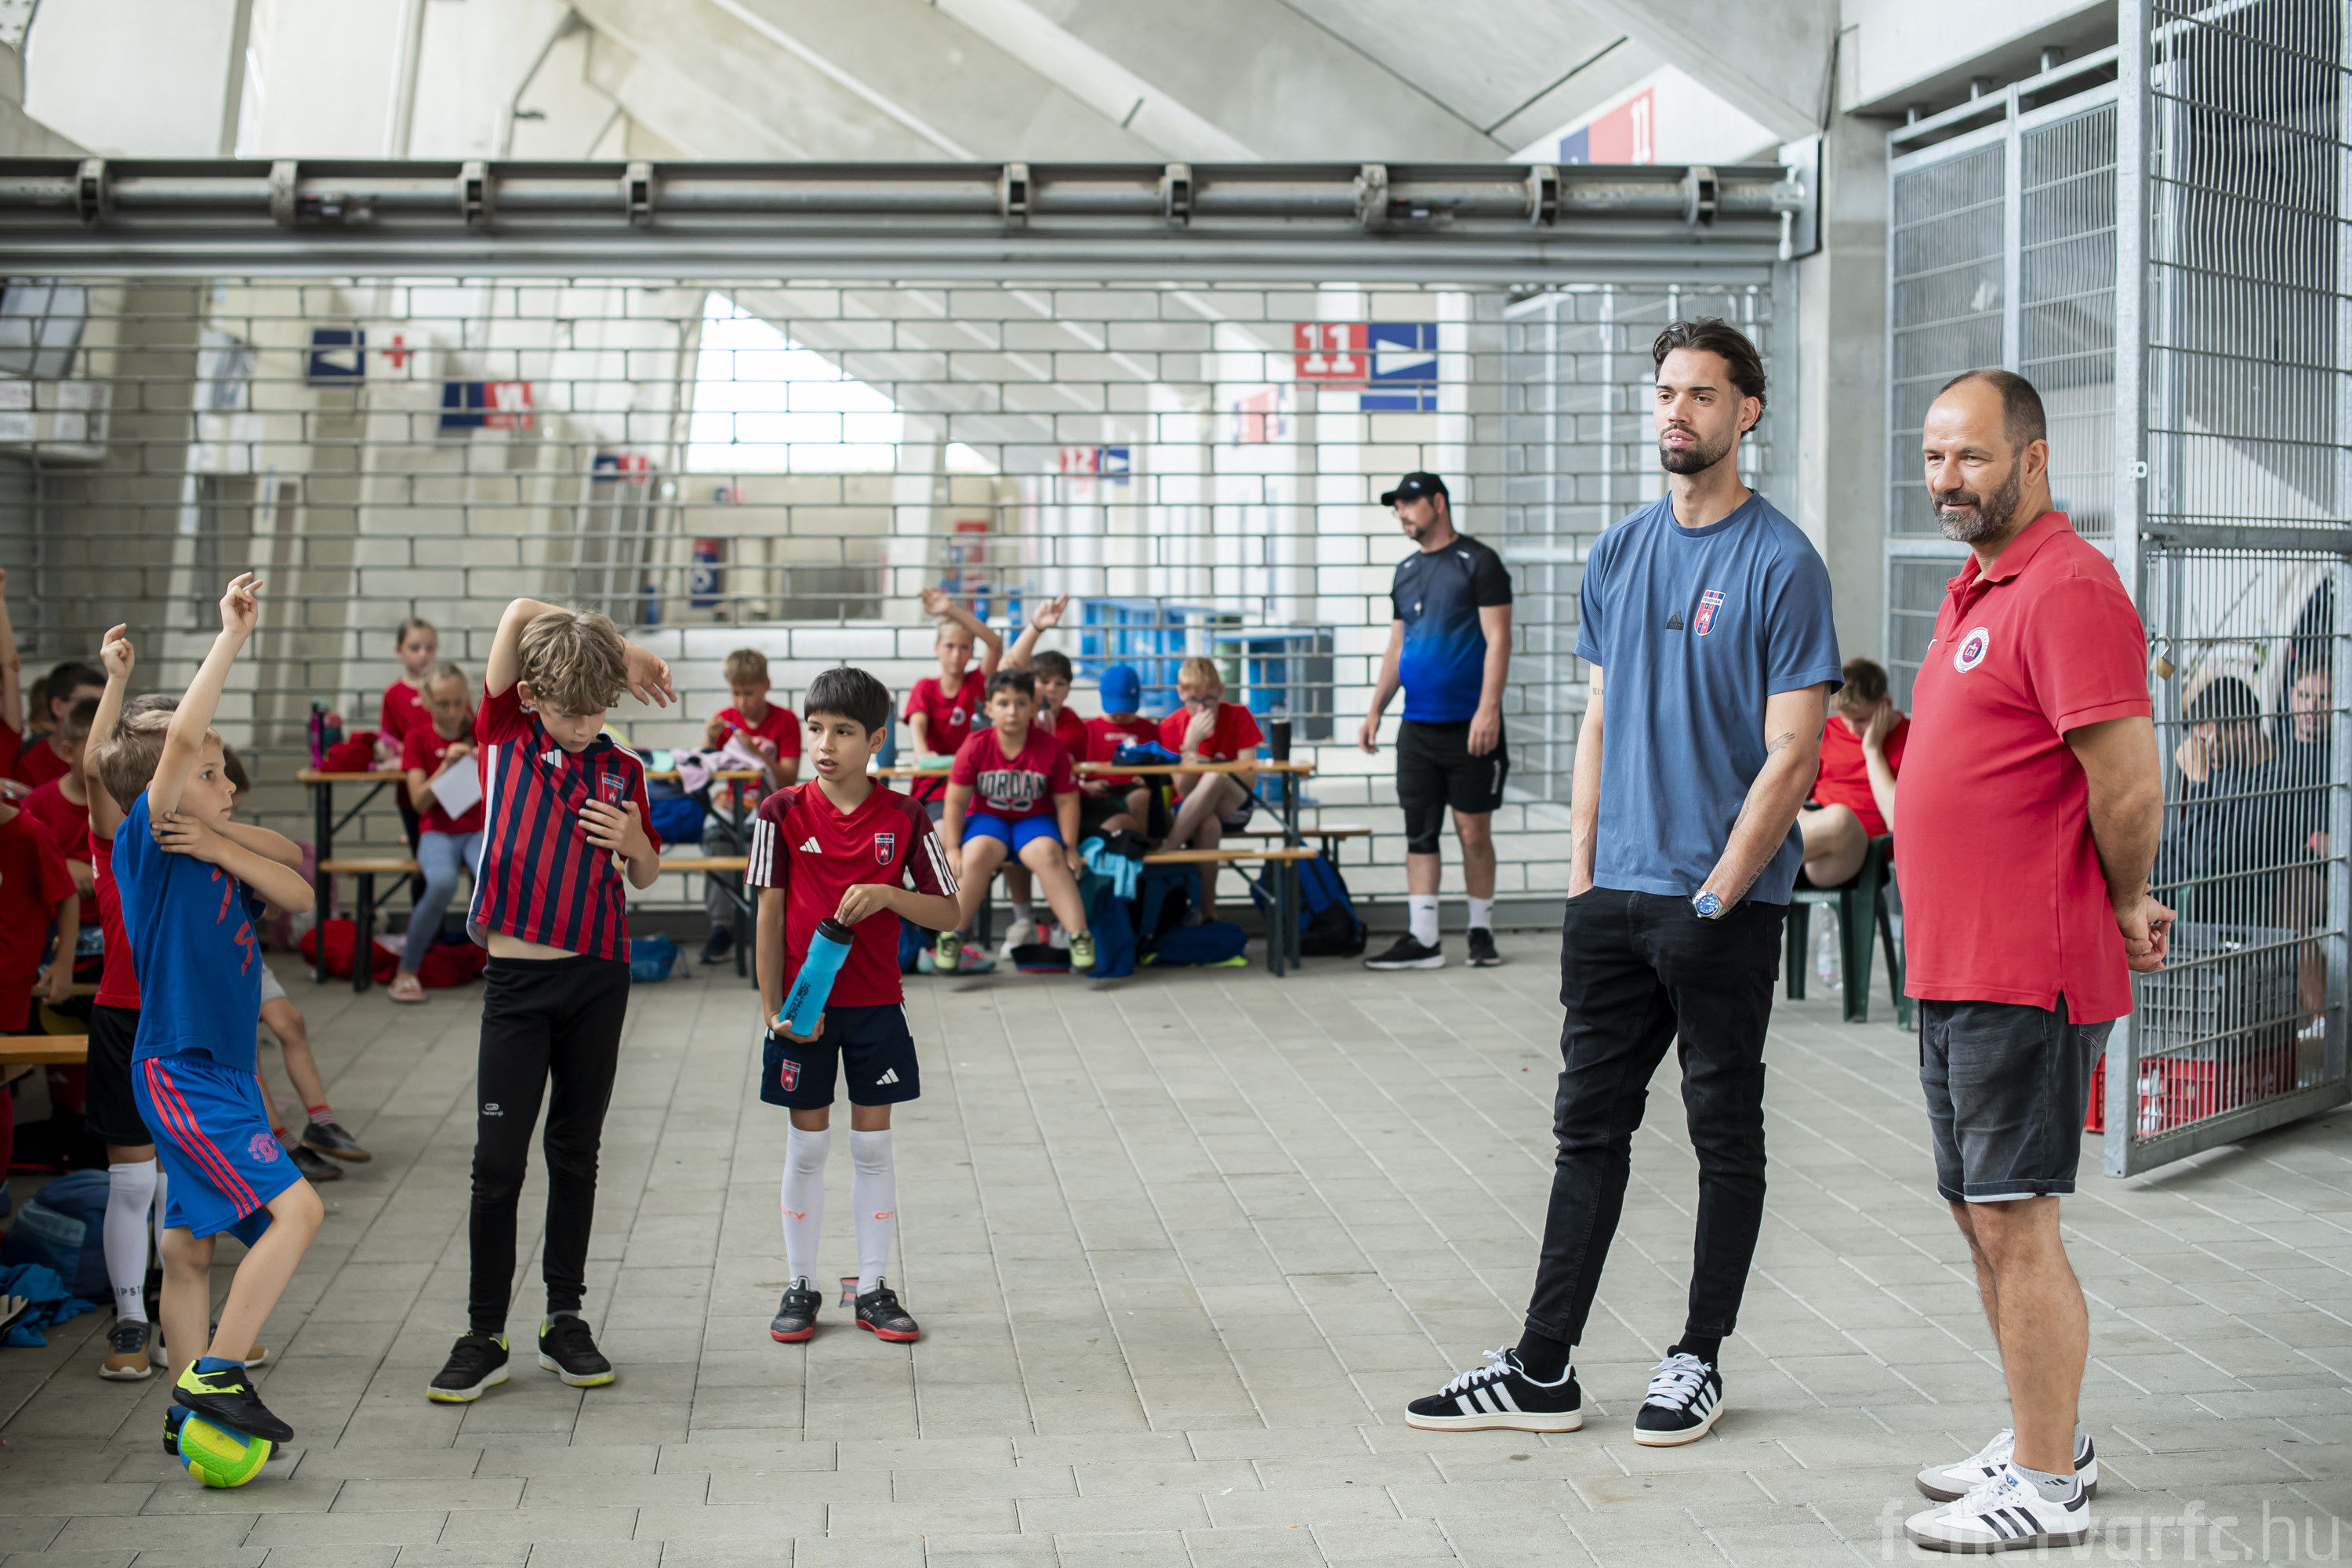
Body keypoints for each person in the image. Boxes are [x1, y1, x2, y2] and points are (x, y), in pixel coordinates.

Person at [1405, 318, 1840, 1448]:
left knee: (1722, 1133)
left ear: (1747, 411)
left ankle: (1698, 1354)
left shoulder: (1782, 561)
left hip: (1720, 906)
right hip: (1613, 902)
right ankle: (1542, 1366)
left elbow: (1795, 752)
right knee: (1585, 1133)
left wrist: (1720, 891)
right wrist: (1584, 875)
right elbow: (1598, 716)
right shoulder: (1619, 551)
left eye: (1702, 394)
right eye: (1666, 393)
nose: (1677, 413)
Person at [1896, 370, 2171, 1553]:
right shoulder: (1978, 586)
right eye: (1934, 457)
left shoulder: (2067, 586)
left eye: (1971, 456)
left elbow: (2130, 783)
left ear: (2035, 458)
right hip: (1955, 966)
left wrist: (2125, 897)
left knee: (2017, 1220)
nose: (1948, 479)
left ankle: (2049, 1485)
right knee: (1981, 1213)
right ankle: (2040, 1432)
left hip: (2025, 967)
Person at [426, 598, 672, 1405]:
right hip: (518, 985)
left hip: (599, 978)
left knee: (575, 1150)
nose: (584, 724)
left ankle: (564, 1317)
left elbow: (645, 874)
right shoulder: (507, 734)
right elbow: (517, 611)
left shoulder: (622, 766)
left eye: (598, 709)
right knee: (498, 1162)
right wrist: (623, 646)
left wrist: (635, 844)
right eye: (570, 710)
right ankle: (483, 1331)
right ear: (532, 696)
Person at [103, 574, 325, 1461]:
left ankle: (181, 1408)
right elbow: (181, 738)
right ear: (163, 788)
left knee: (188, 1250)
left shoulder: (209, 849)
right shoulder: (149, 844)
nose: (225, 781)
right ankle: (219, 1375)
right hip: (181, 1066)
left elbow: (298, 881)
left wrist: (224, 839)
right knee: (297, 1212)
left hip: (222, 1072)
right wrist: (230, 638)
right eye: (207, 773)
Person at [747, 666, 960, 1345]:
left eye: (843, 732)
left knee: (872, 1147)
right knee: (807, 1148)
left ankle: (871, 1287)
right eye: (815, 729)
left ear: (875, 740)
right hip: (804, 1013)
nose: (824, 744)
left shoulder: (906, 816)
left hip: (876, 1008)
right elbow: (768, 915)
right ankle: (801, 1285)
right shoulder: (779, 812)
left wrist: (890, 894)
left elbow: (951, 913)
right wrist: (773, 1011)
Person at [1357, 472, 1515, 969]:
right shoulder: (1405, 571)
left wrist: (1488, 708)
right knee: (1419, 833)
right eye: (1396, 507)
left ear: (1438, 503)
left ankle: (1480, 931)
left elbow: (1499, 639)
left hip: (1471, 727)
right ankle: (1423, 939)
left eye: (1408, 503)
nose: (1401, 513)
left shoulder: (1479, 562)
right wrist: (1376, 709)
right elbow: (1397, 646)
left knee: (1473, 833)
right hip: (1417, 729)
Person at [216, 743, 368, 1177]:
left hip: (246, 953)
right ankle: (281, 1141)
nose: (231, 808)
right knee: (246, 1051)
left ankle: (322, 1122)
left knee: (291, 1023)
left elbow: (283, 875)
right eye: (222, 793)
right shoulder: (181, 841)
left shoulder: (229, 837)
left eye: (235, 802)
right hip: (216, 965)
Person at [935, 668, 1094, 973]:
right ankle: (951, 936)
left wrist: (1070, 845)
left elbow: (1067, 801)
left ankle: (1079, 937)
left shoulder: (1051, 747)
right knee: (975, 855)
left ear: (1033, 708)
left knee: (1050, 854)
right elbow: (955, 801)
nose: (1012, 711)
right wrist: (953, 848)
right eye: (1004, 703)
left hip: (1034, 820)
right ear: (989, 708)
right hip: (988, 819)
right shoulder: (975, 745)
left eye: (1021, 704)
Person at [998, 597, 1090, 947]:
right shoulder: (1013, 718)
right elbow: (1007, 667)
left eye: (1059, 683)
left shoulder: (1071, 726)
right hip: (1018, 804)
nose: (1051, 689)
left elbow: (1054, 771)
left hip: (1056, 806)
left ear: (1069, 689)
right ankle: (1023, 921)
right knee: (1007, 832)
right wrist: (1036, 627)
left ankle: (1063, 924)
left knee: (1051, 848)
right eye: (1043, 681)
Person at [699, 647, 800, 965]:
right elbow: (702, 768)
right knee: (716, 840)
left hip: (769, 808)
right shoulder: (726, 719)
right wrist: (708, 739)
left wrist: (755, 753)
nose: (742, 701)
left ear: (766, 685)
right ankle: (722, 929)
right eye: (736, 693)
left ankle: (772, 929)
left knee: (768, 849)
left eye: (749, 693)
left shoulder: (785, 721)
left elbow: (788, 778)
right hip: (734, 806)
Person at [391, 662, 483, 1004]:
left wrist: (483, 759)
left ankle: (505, 967)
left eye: (459, 702)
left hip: (477, 828)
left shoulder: (481, 734)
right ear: (427, 702)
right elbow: (418, 801)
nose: (453, 711)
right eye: (443, 704)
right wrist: (446, 767)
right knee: (442, 882)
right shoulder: (417, 739)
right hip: (438, 831)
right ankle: (406, 971)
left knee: (495, 875)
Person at [1159, 657, 1263, 923]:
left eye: (1209, 699)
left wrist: (1202, 762)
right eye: (1193, 700)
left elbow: (1249, 780)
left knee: (1216, 776)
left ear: (1221, 691)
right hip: (1191, 812)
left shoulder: (1239, 715)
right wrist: (1190, 745)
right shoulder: (1171, 727)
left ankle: (1170, 848)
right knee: (1208, 825)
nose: (1202, 707)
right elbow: (1184, 790)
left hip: (1234, 806)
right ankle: (1207, 912)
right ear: (1181, 694)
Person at [1796, 655, 1907, 888]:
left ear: (1886, 704)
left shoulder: (1911, 739)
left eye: (1862, 720)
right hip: (1810, 837)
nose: (1853, 729)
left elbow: (1897, 822)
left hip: (1855, 853)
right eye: (1846, 719)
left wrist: (1873, 750)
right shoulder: (1829, 730)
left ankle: (1744, 865)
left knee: (1840, 820)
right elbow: (1796, 791)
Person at [900, 586, 1003, 810]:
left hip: (975, 785)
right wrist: (923, 755)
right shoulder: (925, 687)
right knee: (942, 829)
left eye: (964, 647)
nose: (956, 654)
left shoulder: (978, 682)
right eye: (949, 646)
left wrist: (949, 609)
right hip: (934, 784)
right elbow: (917, 727)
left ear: (972, 651)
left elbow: (995, 643)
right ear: (936, 648)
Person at [21, 697, 103, 950]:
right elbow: (20, 868)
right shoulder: (38, 804)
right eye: (96, 750)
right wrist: (59, 867)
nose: (105, 760)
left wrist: (96, 873)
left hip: (109, 927)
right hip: (50, 930)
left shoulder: (127, 805)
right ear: (68, 752)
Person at [379, 618, 440, 873]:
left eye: (430, 647)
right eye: (415, 648)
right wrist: (397, 751)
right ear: (399, 651)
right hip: (412, 790)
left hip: (448, 786)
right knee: (421, 862)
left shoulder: (446, 688)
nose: (423, 654)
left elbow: (467, 731)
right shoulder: (394, 694)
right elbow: (388, 741)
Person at [1080, 662, 1161, 840]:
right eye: (1115, 710)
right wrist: (1085, 787)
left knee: (1141, 797)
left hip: (1135, 792)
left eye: (1126, 709)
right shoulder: (1087, 730)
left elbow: (1163, 765)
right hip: (1096, 793)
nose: (1120, 715)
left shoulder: (1151, 730)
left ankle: (1140, 847)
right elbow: (1069, 771)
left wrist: (1148, 779)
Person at [13, 659, 104, 792]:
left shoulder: (115, 756)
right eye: (87, 703)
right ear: (57, 707)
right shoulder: (30, 764)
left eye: (105, 703)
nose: (100, 711)